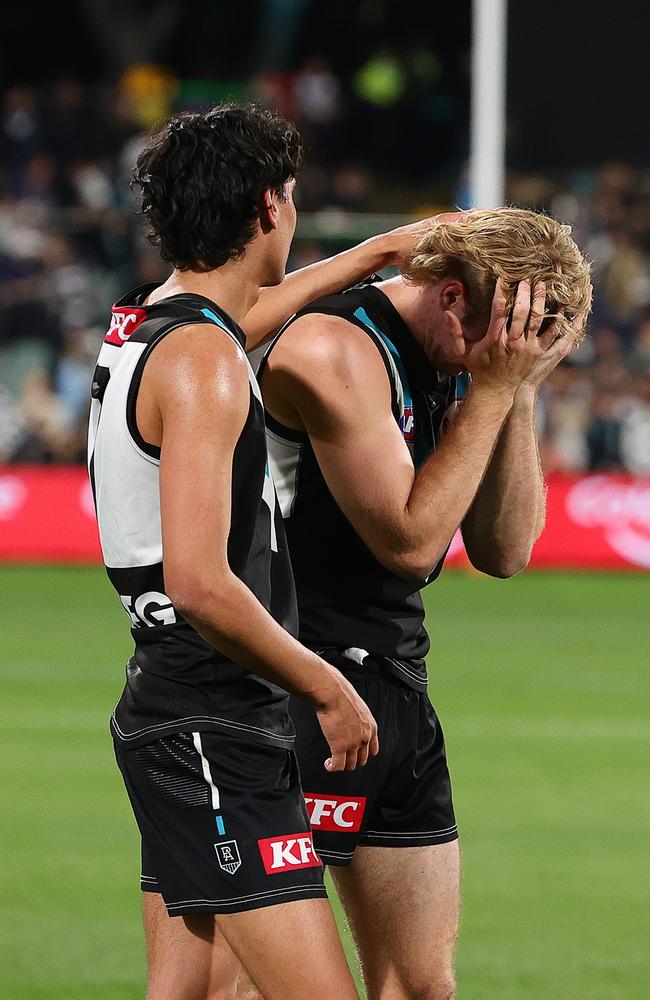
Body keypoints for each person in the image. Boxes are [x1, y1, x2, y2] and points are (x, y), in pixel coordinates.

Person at [87, 102, 449, 1000]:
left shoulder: (153, 324)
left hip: (177, 710)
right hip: (211, 719)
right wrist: (328, 688)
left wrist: (371, 254)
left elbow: (244, 316)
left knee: (187, 996)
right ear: (267, 210)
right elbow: (203, 584)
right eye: (287, 193)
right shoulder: (206, 366)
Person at [245, 209, 591, 999]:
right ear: (448, 297)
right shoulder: (333, 348)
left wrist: (520, 395)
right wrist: (494, 386)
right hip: (297, 691)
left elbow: (503, 553)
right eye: (501, 331)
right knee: (254, 989)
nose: (502, 353)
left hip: (396, 683)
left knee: (421, 986)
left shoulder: (472, 359)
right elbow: (406, 543)